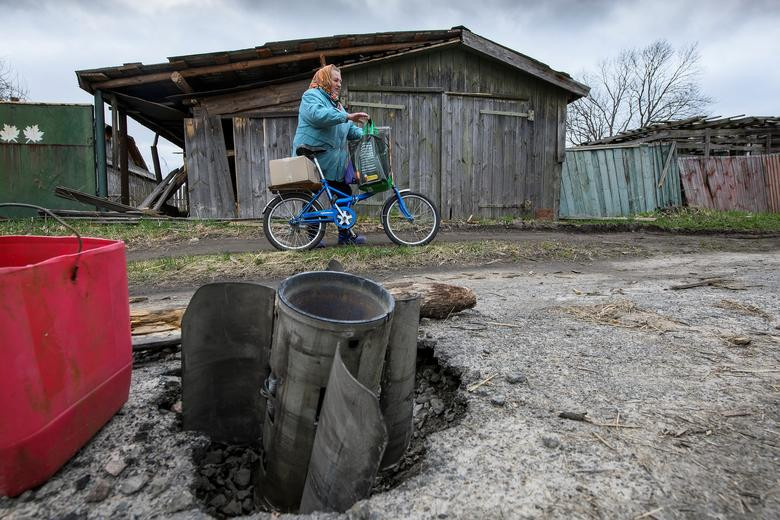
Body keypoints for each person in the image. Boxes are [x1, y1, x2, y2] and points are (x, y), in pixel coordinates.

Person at [292, 64, 369, 246]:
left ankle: (345, 236)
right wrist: (347, 116)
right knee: (312, 196)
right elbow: (318, 115)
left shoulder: (337, 105)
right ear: (325, 80)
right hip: (313, 157)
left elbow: (349, 130)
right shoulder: (311, 96)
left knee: (344, 193)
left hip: (332, 161)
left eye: (340, 80)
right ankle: (312, 240)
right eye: (335, 80)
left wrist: (368, 135)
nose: (339, 84)